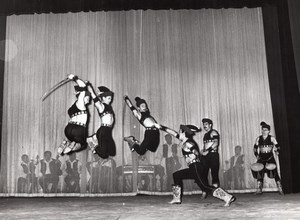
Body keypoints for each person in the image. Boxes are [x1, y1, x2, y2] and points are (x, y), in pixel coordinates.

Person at [155, 123, 236, 206]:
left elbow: (195, 150)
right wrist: (161, 127)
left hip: (196, 167)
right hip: (193, 167)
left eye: (180, 132)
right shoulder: (185, 140)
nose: (178, 133)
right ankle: (176, 199)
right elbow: (173, 132)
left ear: (184, 133)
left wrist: (196, 153)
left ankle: (228, 197)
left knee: (204, 187)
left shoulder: (189, 143)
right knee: (176, 175)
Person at [58, 74, 91, 155]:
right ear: (82, 97)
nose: (89, 101)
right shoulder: (80, 103)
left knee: (73, 138)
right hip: (78, 130)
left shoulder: (73, 106)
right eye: (87, 98)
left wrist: (84, 85)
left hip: (68, 129)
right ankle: (72, 145)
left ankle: (64, 143)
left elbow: (83, 88)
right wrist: (74, 78)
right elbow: (83, 87)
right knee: (83, 144)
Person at [251, 121, 284, 195]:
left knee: (274, 171)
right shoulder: (258, 139)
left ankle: (280, 188)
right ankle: (259, 189)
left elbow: (278, 146)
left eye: (266, 130)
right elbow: (255, 148)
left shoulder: (272, 138)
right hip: (261, 157)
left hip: (270, 157)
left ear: (269, 131)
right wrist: (256, 155)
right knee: (259, 172)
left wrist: (277, 151)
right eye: (263, 130)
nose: (264, 131)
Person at [87, 84, 116, 159]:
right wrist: (90, 89)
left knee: (112, 152)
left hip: (108, 131)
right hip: (103, 131)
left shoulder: (109, 107)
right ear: (103, 98)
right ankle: (93, 143)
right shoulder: (101, 106)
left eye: (111, 98)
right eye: (109, 98)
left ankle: (94, 138)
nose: (111, 100)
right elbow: (95, 99)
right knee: (104, 155)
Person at [201, 118, 220, 188]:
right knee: (204, 172)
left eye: (206, 124)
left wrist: (207, 151)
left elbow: (216, 143)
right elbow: (205, 145)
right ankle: (206, 190)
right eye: (203, 124)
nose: (204, 126)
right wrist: (203, 151)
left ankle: (216, 191)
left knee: (214, 173)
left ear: (210, 125)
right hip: (206, 156)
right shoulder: (205, 135)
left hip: (213, 155)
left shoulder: (214, 132)